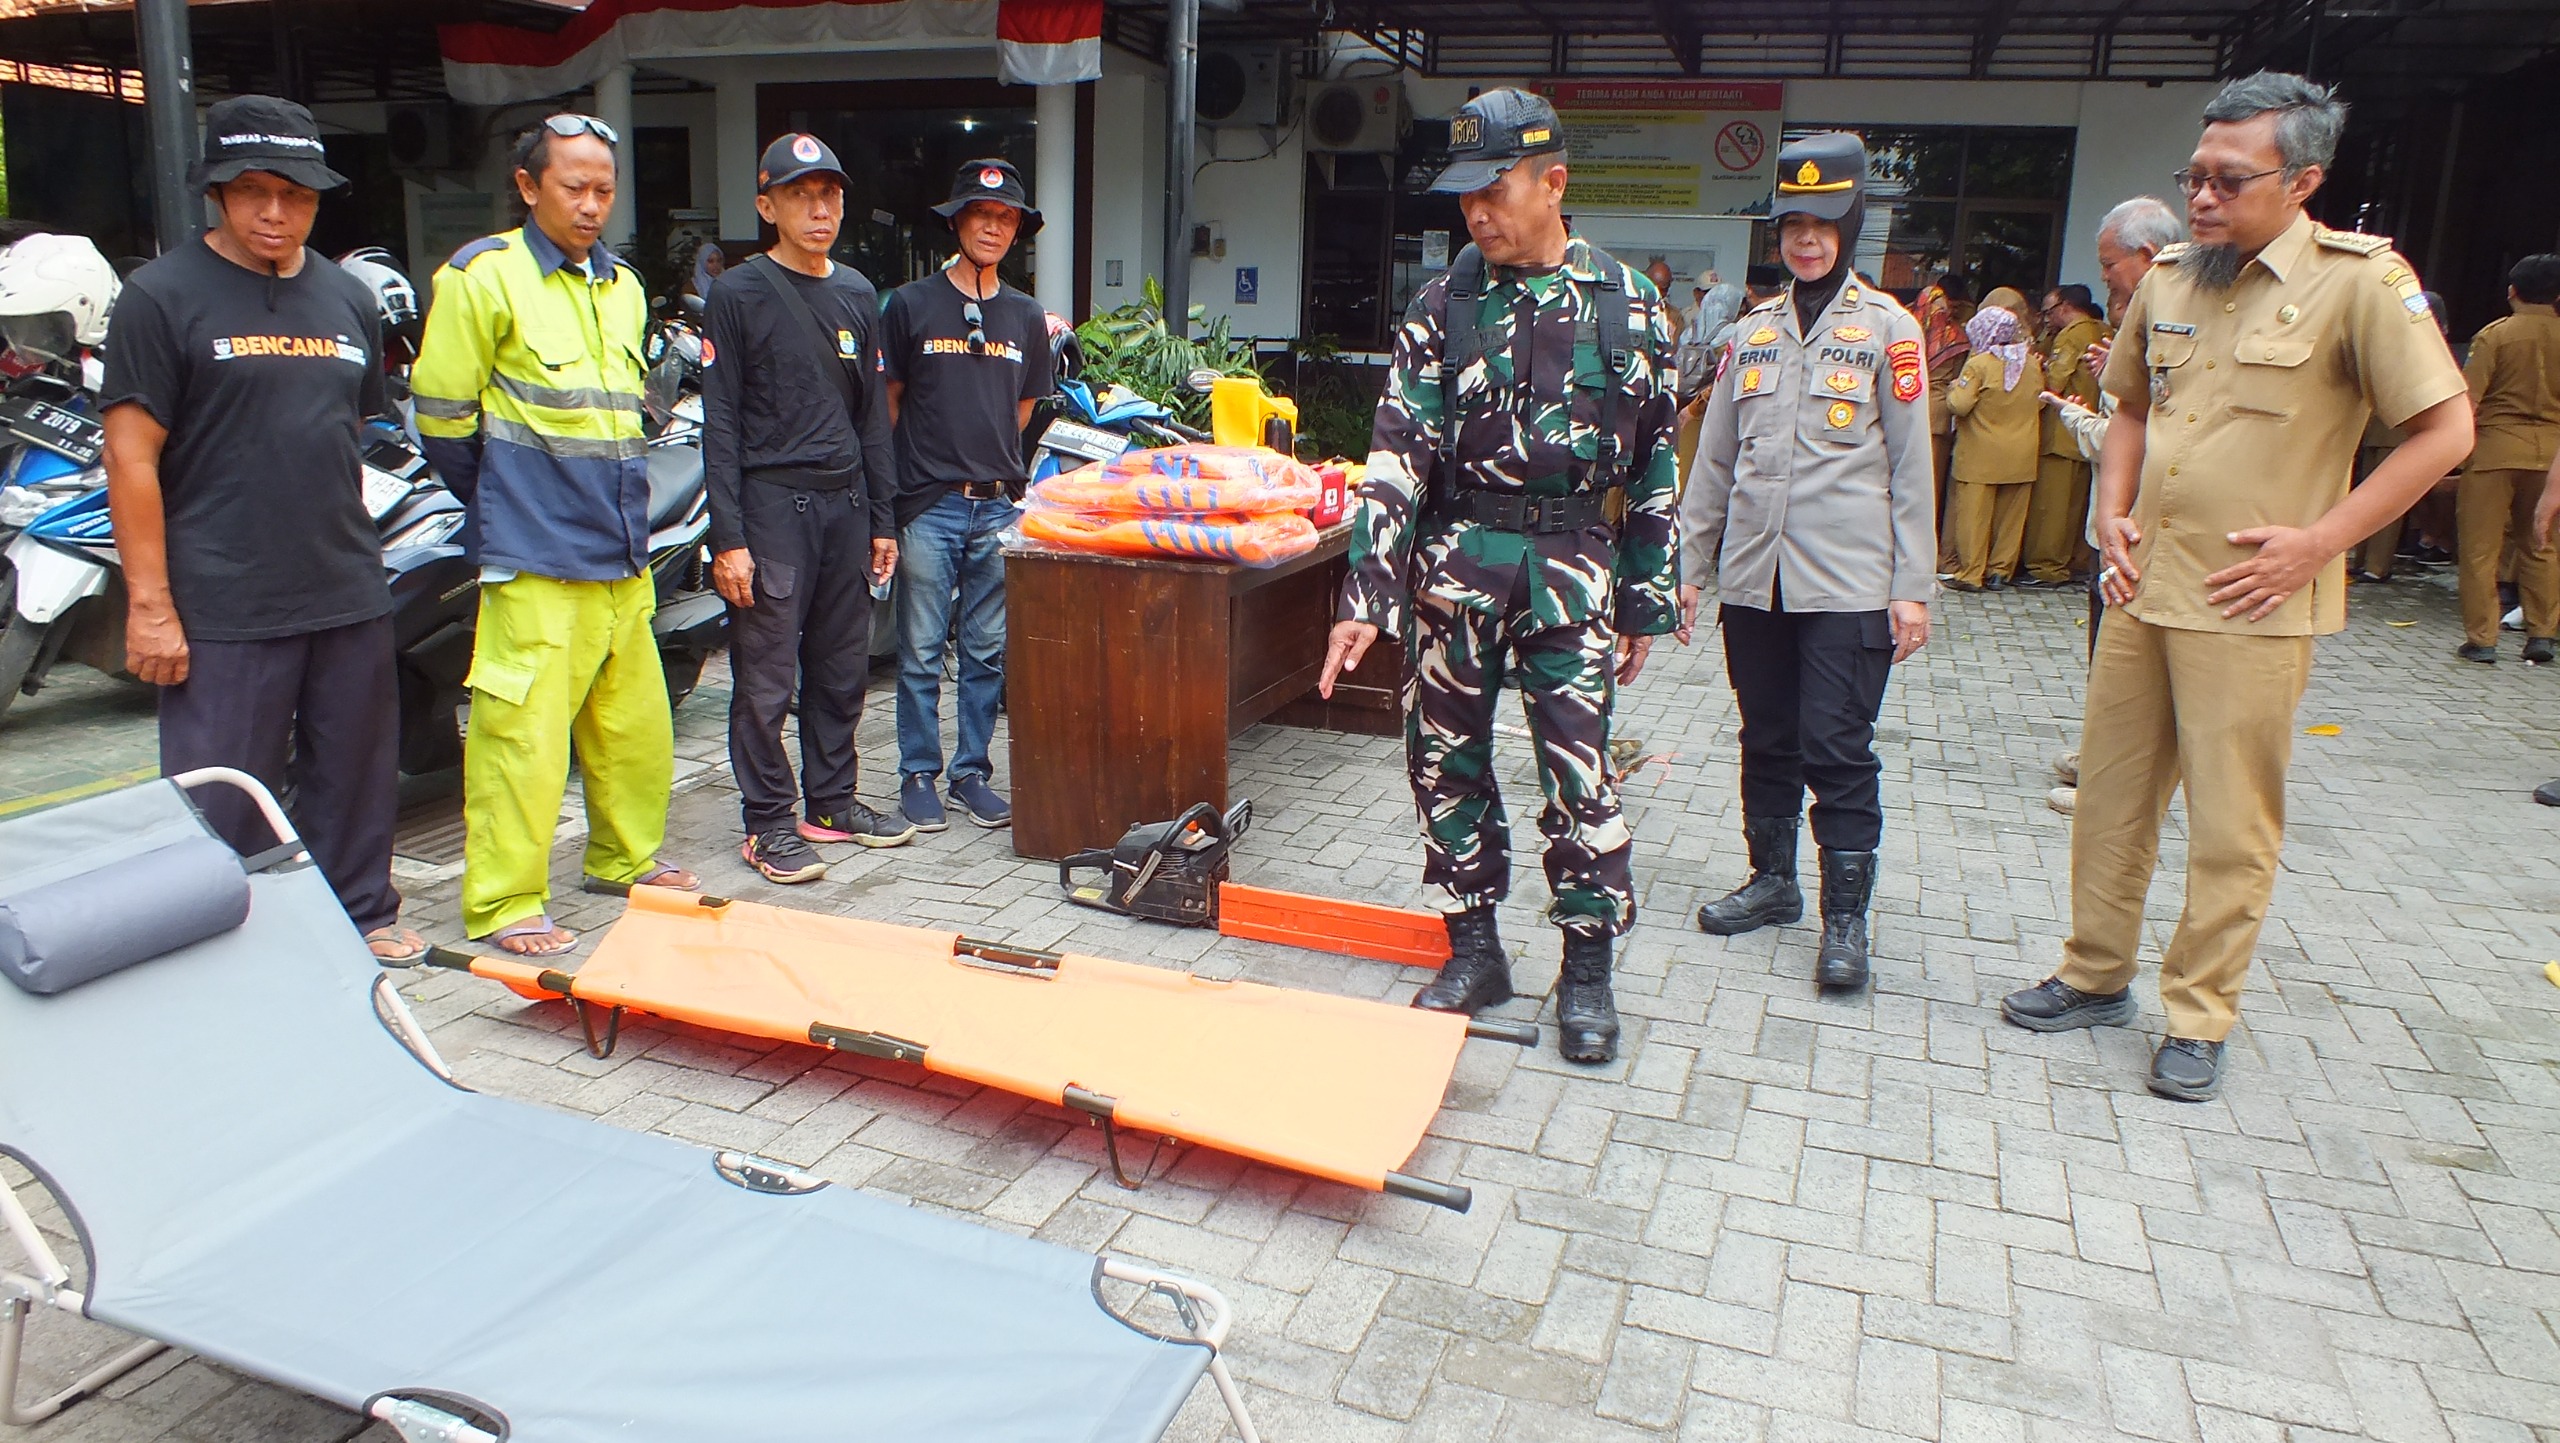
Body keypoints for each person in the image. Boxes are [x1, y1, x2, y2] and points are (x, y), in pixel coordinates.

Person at [1999, 72, 2472, 1102]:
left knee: (2229, 822)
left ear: (2301, 181)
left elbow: (2446, 432)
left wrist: (2320, 542)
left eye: (2229, 180)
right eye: (2194, 177)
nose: (2203, 197)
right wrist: (2110, 508)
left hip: (2250, 601)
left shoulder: (2359, 283)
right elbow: (2129, 406)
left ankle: (2199, 1015)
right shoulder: (2170, 277)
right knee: (2109, 799)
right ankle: (2093, 973)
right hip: (2141, 583)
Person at [1316, 88, 1679, 1064]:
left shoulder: (1627, 303)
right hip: (1458, 571)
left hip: (1573, 570)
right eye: (1465, 196)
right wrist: (1366, 594)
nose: (1476, 213)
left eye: (1496, 191)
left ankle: (1587, 970)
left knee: (1579, 775)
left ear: (1553, 182)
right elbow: (1395, 454)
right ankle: (1474, 949)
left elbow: (1655, 461)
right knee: (1446, 764)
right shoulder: (1444, 304)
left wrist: (1646, 595)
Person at [96, 94, 421, 964]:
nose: (275, 212)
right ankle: (219, 943)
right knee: (221, 794)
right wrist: (150, 605)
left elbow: (347, 433)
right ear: (217, 192)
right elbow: (129, 458)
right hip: (223, 599)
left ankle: (359, 917)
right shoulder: (161, 297)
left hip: (345, 585)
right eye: (252, 191)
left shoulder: (347, 298)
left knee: (354, 774)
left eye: (296, 194)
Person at [412, 114, 699, 957]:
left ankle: (623, 858)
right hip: (535, 555)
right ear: (528, 186)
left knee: (634, 727)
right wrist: (506, 502)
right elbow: (444, 418)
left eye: (604, 189)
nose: (591, 204)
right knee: (521, 740)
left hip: (621, 550)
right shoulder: (482, 278)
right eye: (574, 187)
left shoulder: (624, 287)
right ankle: (505, 901)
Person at [1678, 131, 1936, 995]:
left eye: (1823, 225)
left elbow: (1914, 470)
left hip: (1848, 586)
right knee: (1767, 735)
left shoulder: (1890, 331)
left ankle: (1846, 921)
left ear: (1850, 225)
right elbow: (1714, 462)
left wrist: (1912, 589)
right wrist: (1689, 567)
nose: (1808, 241)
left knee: (1837, 745)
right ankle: (1773, 881)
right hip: (1756, 581)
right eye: (1794, 225)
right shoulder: (1750, 334)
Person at [702, 133, 914, 883]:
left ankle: (831, 801)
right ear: (768, 207)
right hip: (772, 509)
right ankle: (767, 821)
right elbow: (720, 421)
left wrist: (883, 519)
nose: (820, 209)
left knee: (841, 666)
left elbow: (872, 419)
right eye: (801, 195)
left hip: (846, 505)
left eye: (830, 195)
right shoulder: (737, 293)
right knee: (766, 679)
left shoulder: (857, 291)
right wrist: (728, 537)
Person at [882, 158, 1053, 833]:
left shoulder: (1025, 315)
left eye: (1005, 217)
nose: (992, 226)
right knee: (922, 649)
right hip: (929, 504)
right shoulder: (911, 305)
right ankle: (917, 772)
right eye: (981, 214)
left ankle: (970, 773)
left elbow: (1023, 408)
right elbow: (891, 402)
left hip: (998, 507)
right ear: (957, 222)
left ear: (1017, 231)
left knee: (985, 651)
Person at [2041, 196, 2183, 815]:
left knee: (2128, 665)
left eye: (2109, 265)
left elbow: (2148, 431)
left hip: (2151, 527)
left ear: (2146, 255)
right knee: (2111, 658)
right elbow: (2132, 412)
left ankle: (2112, 779)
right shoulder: (2150, 319)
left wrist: (2075, 416)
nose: (2104, 280)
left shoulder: (2188, 315)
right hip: (2122, 526)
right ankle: (2103, 758)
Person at [2453, 254, 2560, 664]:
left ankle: (2482, 638)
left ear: (2512, 291)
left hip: (2494, 451)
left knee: (2480, 549)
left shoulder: (2494, 336)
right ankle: (2542, 634)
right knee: (2541, 544)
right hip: (2551, 456)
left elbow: (2469, 399)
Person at [1943, 305, 2043, 591]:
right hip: (2022, 452)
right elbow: (2040, 401)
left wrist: (1952, 389)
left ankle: (1971, 574)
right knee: (2010, 519)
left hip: (1980, 454)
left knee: (1973, 517)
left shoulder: (1979, 364)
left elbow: (1960, 405)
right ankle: (2000, 571)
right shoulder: (2031, 364)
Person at [2021, 284, 2110, 586]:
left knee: (2052, 508)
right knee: (2079, 506)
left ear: (2066, 307)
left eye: (2049, 312)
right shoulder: (2103, 329)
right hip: (2092, 427)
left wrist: (2038, 366)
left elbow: (2055, 382)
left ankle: (2046, 567)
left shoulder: (2070, 335)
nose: (2047, 319)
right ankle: (2077, 563)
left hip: (2062, 431)